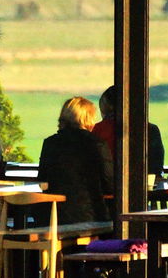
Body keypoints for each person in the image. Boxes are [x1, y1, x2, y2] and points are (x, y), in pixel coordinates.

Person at [36, 96, 112, 224]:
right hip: (90, 215)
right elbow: (109, 182)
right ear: (88, 118)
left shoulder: (50, 143)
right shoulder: (97, 144)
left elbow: (43, 179)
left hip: (52, 216)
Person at [90, 85, 167, 183]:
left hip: (106, 186)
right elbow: (156, 167)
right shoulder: (150, 129)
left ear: (105, 108)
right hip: (143, 184)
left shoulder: (98, 129)